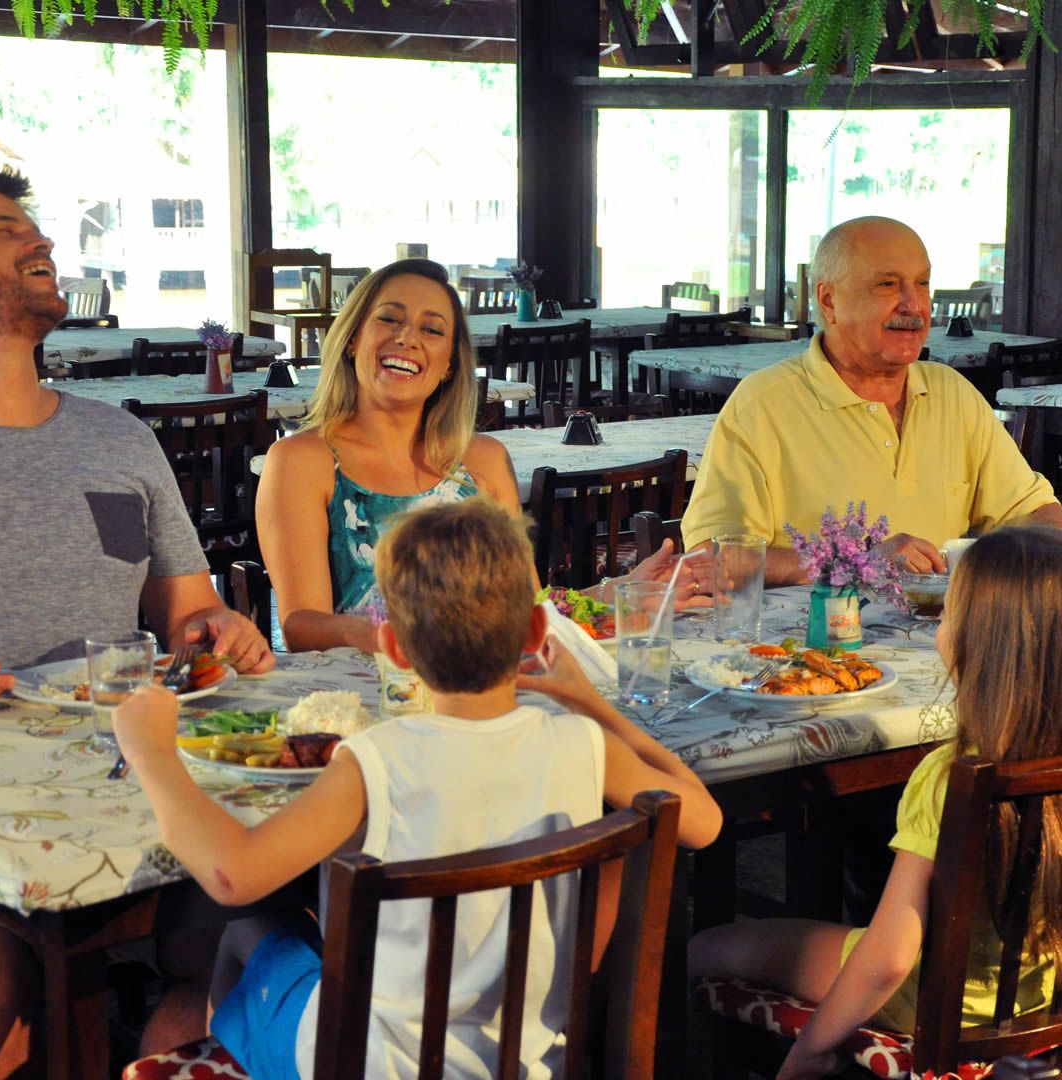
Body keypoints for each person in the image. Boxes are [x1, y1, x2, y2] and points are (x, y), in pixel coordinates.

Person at [114, 498, 723, 1078]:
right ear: (539, 631)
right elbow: (706, 821)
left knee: (247, 935)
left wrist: (152, 754)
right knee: (269, 943)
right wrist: (594, 706)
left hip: (369, 1065)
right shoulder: (586, 746)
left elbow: (231, 875)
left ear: (393, 648)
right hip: (525, 1062)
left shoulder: (374, 762)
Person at [0, 162, 274, 1076]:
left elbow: (192, 616)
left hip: (139, 792)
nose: (42, 241)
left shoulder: (121, 438)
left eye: (34, 228)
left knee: (239, 949)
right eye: (0, 230)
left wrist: (220, 635)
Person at [689, 525, 1062, 1080]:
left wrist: (811, 1048)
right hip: (1040, 1004)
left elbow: (889, 958)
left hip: (929, 1003)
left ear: (971, 644)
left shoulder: (947, 776)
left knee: (703, 949)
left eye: (948, 614)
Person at [257, 258, 704, 656]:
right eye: (389, 319)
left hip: (482, 695)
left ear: (450, 363)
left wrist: (622, 593)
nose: (407, 338)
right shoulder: (301, 460)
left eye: (432, 330)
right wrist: (387, 639)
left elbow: (525, 607)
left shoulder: (484, 460)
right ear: (352, 339)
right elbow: (299, 626)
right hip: (364, 705)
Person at [681, 216, 1062, 585]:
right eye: (887, 284)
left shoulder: (952, 393)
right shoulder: (763, 405)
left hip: (945, 639)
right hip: (813, 645)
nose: (913, 305)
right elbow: (712, 557)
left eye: (923, 283)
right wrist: (854, 562)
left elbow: (1037, 513)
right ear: (828, 301)